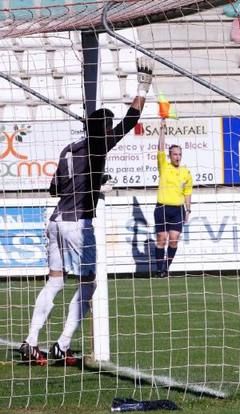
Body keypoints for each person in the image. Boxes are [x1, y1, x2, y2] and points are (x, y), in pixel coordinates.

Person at [18, 59, 154, 366]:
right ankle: (62, 345)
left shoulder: (68, 149)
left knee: (54, 281)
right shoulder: (99, 145)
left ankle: (30, 341)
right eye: (108, 124)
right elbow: (130, 122)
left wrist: (93, 180)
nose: (110, 129)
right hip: (79, 223)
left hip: (54, 221)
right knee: (89, 283)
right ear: (102, 128)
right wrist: (142, 89)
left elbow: (54, 189)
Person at [153, 117, 192, 278]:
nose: (177, 157)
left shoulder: (185, 172)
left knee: (174, 240)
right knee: (162, 239)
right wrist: (162, 130)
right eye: (175, 154)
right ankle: (158, 268)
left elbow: (188, 192)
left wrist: (188, 210)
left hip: (177, 209)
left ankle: (165, 269)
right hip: (162, 207)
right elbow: (160, 149)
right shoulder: (164, 166)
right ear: (170, 156)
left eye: (179, 154)